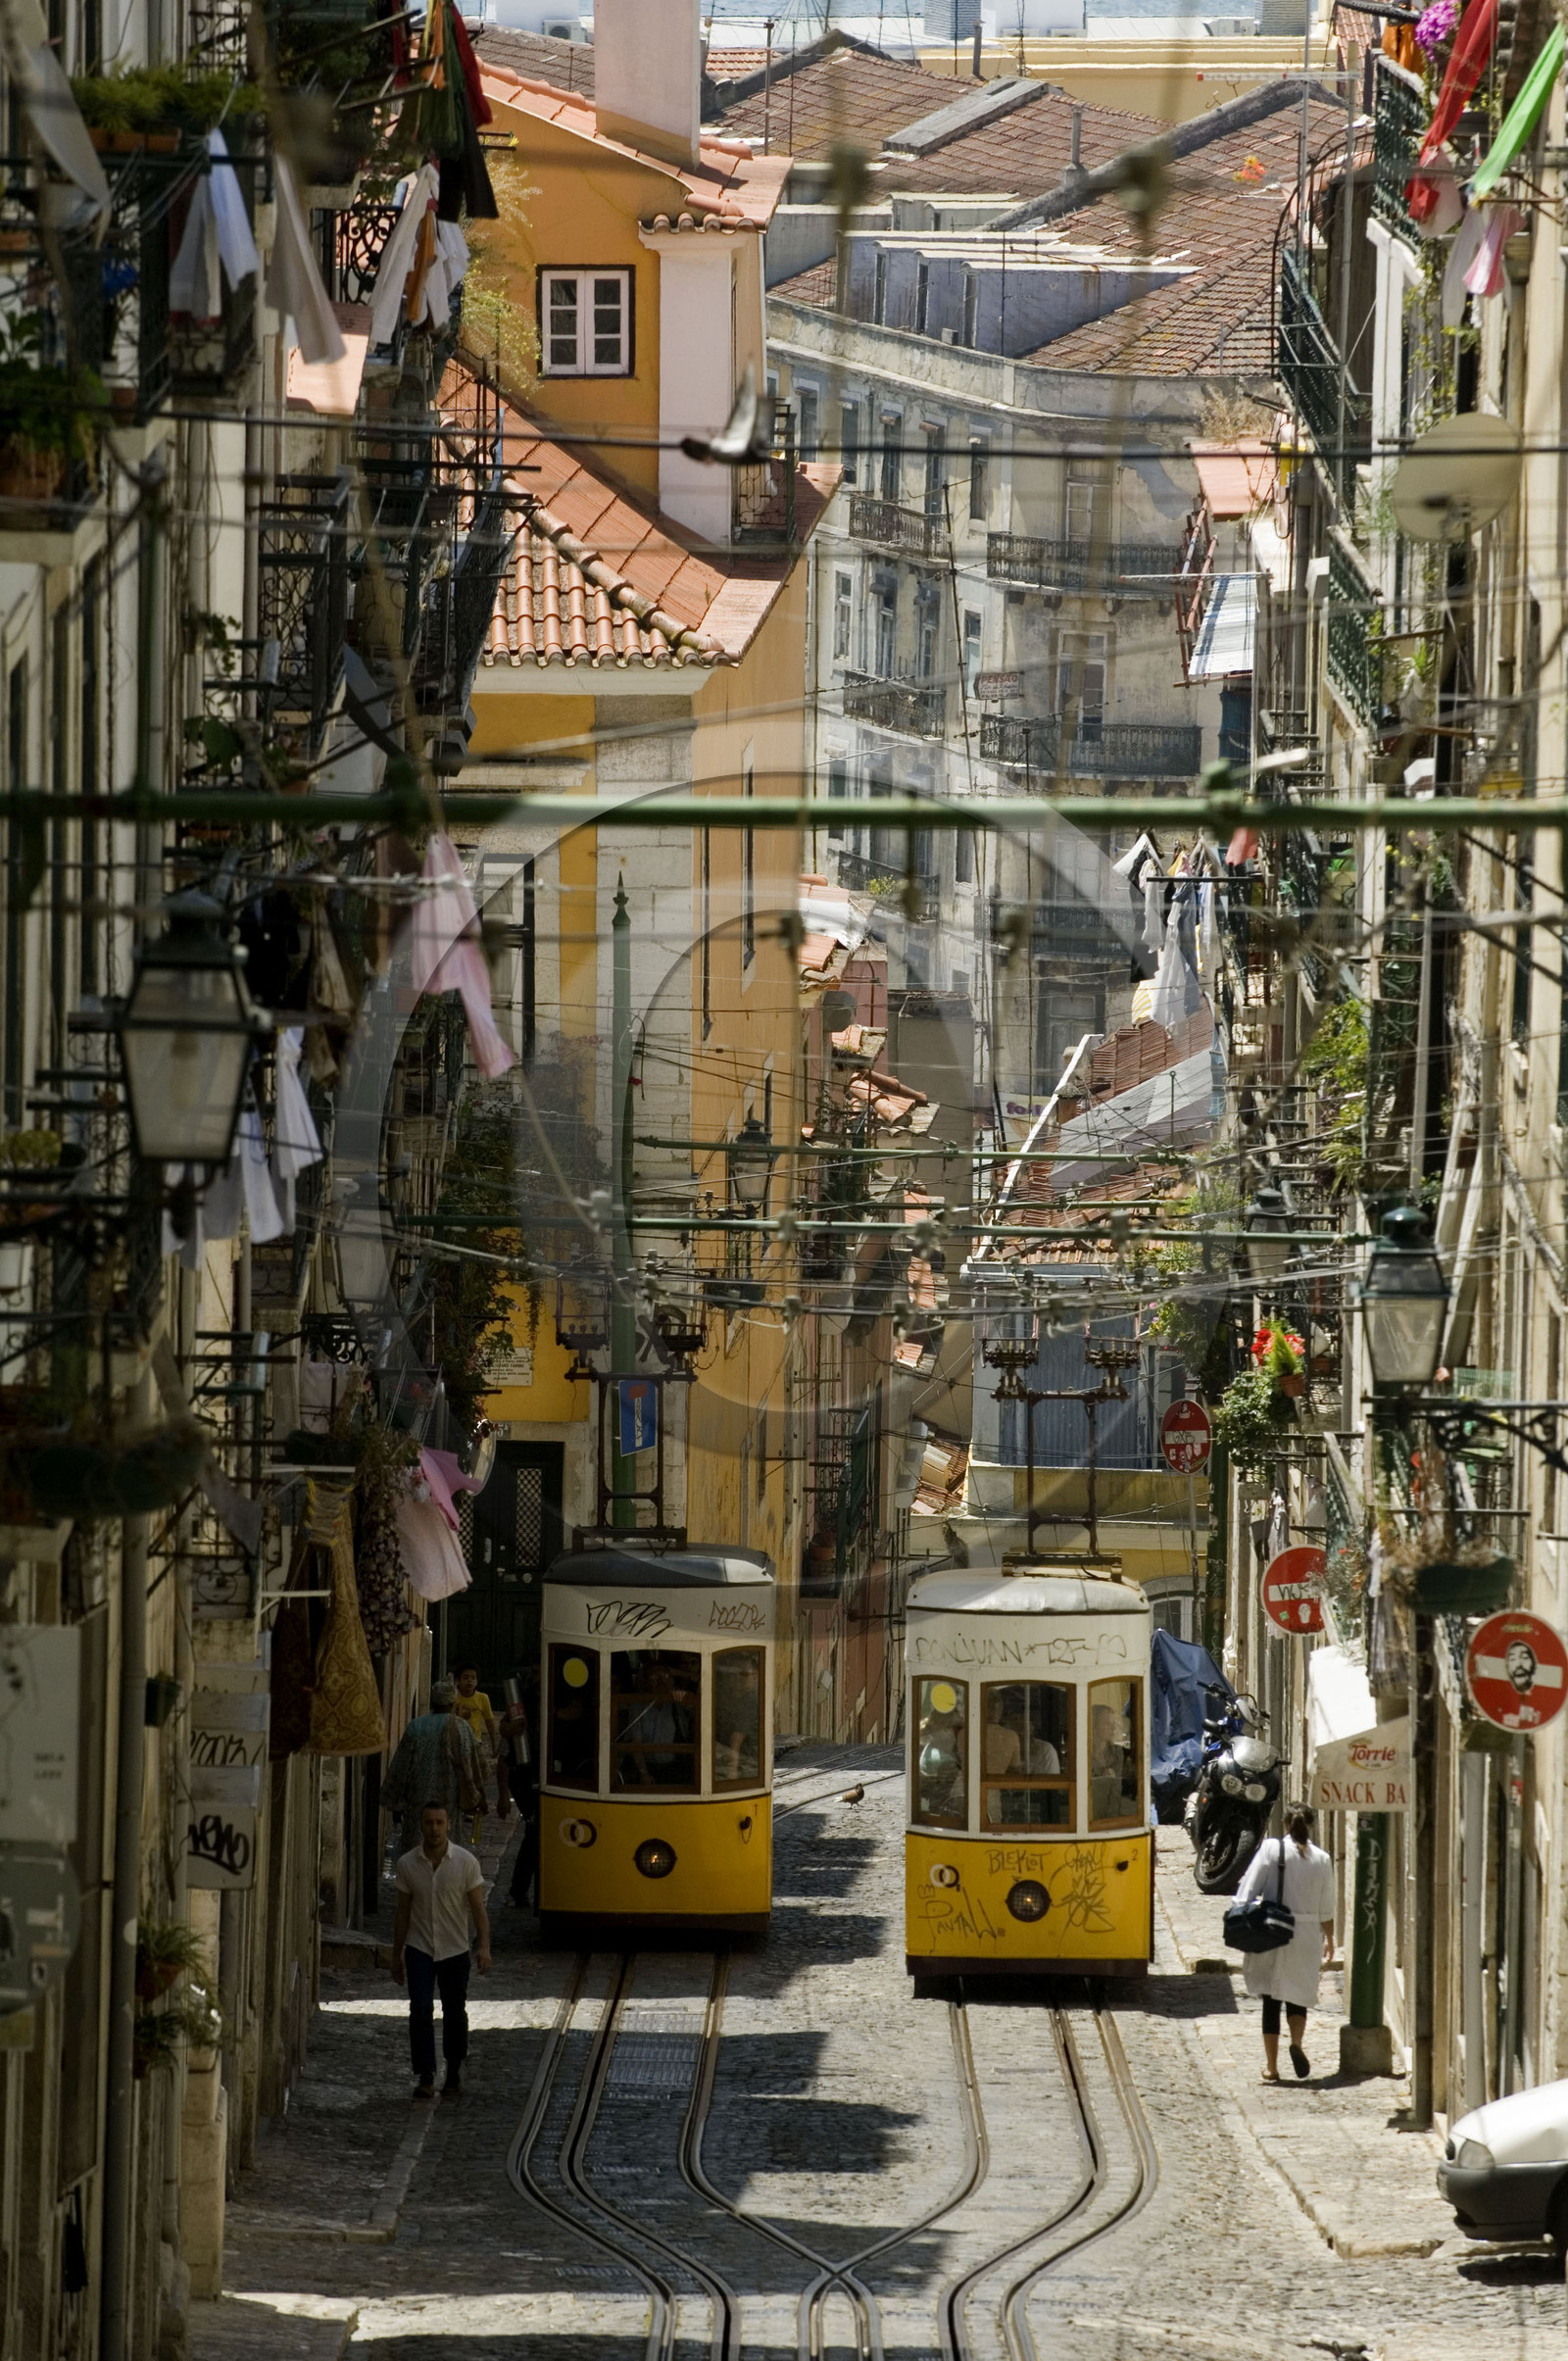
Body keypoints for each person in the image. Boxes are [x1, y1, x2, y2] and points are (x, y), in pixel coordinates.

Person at [391, 1801, 491, 2101]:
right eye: (429, 1823)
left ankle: (454, 2071)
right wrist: (396, 1955)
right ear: (421, 1826)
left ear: (448, 1825)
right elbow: (402, 1913)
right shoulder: (407, 1864)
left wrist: (483, 1947)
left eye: (439, 1823)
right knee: (420, 2009)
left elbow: (478, 1909)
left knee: (454, 2012)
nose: (434, 1828)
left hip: (455, 1949)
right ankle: (425, 2074)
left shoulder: (465, 1862)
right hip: (419, 1947)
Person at [1233, 1803, 1337, 2082]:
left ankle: (1272, 2066)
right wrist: (1329, 1938)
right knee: (1297, 1996)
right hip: (1305, 1935)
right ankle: (1297, 2044)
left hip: (1273, 1929)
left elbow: (1248, 1888)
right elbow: (1326, 1907)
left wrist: (1242, 1914)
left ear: (1286, 1824)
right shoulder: (1322, 1859)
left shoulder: (1271, 1849)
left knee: (1271, 1998)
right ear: (1311, 1825)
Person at [379, 1681, 484, 1853]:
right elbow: (476, 1767)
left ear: (432, 1702)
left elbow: (400, 1768)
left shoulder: (416, 1727)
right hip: (450, 1802)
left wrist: (395, 1802)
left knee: (416, 1851)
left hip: (417, 1802)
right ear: (452, 1703)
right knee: (448, 1850)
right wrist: (479, 1796)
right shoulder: (462, 1727)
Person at [450, 1663, 500, 1842]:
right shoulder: (454, 1699)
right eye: (465, 1677)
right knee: (461, 1776)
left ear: (477, 1681)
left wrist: (495, 1745)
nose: (469, 1681)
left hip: (475, 1743)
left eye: (472, 1678)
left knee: (476, 1777)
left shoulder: (482, 1699)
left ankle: (473, 1806)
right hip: (457, 1743)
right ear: (458, 1681)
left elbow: (490, 1722)